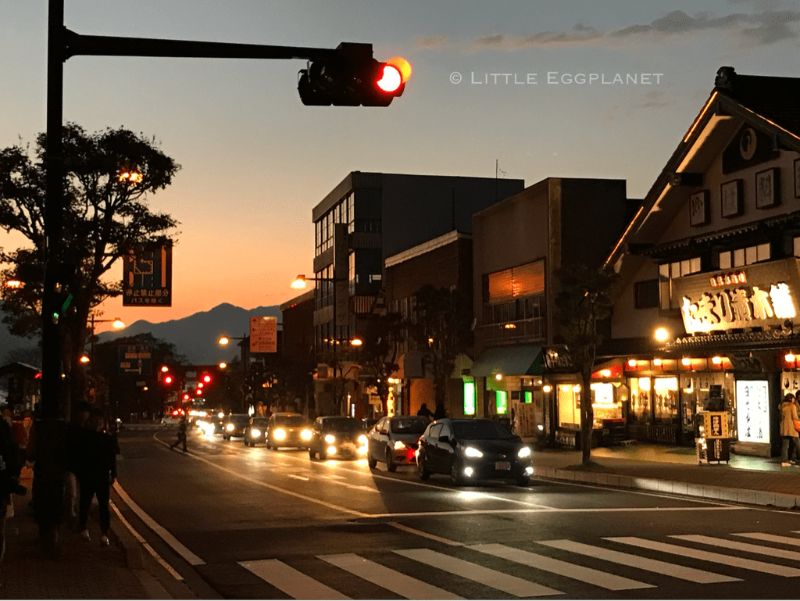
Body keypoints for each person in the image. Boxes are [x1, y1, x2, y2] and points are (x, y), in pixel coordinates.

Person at [74, 410, 116, 546]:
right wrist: (113, 473)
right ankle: (103, 533)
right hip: (100, 475)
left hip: (89, 475)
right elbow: (112, 458)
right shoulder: (106, 439)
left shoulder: (83, 438)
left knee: (85, 503)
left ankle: (84, 529)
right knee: (102, 505)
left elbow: (79, 458)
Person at [779, 393, 799, 467]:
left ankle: (785, 460)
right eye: (793, 398)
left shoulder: (782, 406)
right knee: (797, 443)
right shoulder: (792, 406)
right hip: (792, 428)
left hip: (784, 428)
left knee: (785, 445)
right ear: (791, 399)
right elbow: (795, 417)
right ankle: (792, 458)